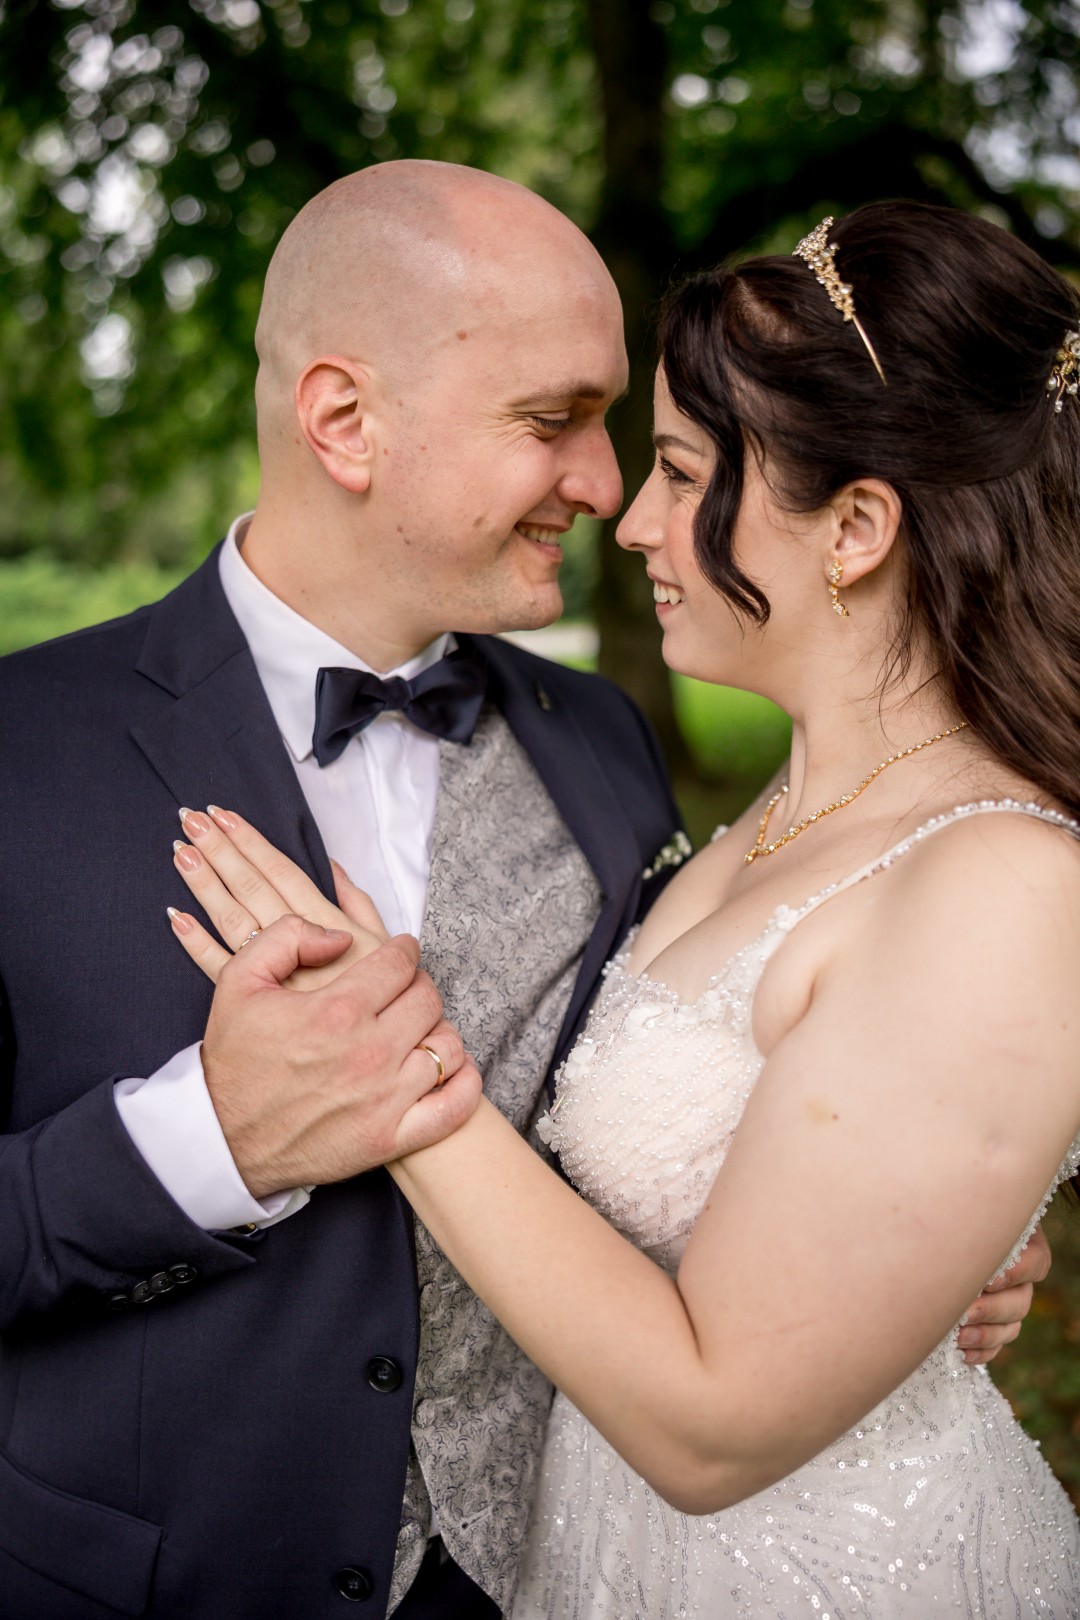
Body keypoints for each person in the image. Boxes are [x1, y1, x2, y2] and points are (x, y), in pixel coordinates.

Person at [168, 200, 1080, 1617]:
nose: (631, 516)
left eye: (682, 471)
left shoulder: (1001, 881)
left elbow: (716, 1424)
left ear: (853, 528)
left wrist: (387, 1065)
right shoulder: (755, 816)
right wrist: (924, 1242)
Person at [0, 161, 686, 1619]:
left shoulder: (607, 745)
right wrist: (211, 1141)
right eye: (553, 421)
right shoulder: (18, 749)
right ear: (343, 421)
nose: (607, 485)